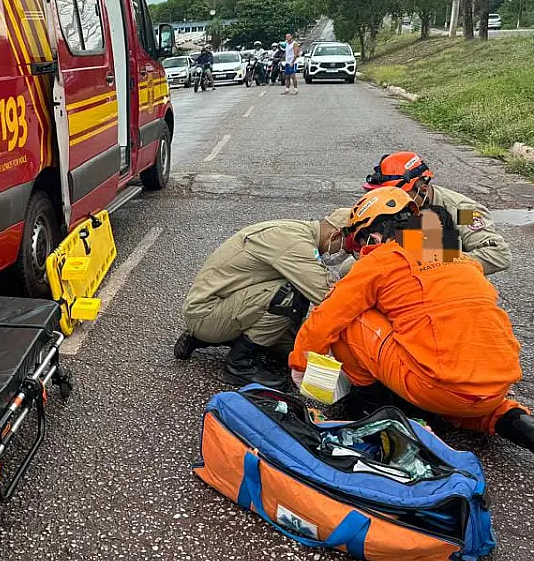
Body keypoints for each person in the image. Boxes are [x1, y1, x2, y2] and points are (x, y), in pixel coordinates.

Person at [288, 187, 534, 453]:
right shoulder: (456, 256)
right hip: (495, 387)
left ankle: (372, 405)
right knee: (468, 400)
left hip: (433, 386)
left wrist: (300, 364)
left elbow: (327, 316)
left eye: (361, 243)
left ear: (373, 235)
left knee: (351, 318)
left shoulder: (382, 260)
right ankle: (511, 420)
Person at [174, 208, 353, 389]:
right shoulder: (295, 245)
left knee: (294, 347)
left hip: (214, 305)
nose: (345, 254)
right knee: (289, 297)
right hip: (207, 313)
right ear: (335, 235)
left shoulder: (298, 232)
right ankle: (238, 365)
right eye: (346, 249)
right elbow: (328, 297)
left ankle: (202, 338)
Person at [364, 151, 510, 275]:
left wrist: (439, 263)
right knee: (351, 268)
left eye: (400, 195)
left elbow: (498, 254)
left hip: (450, 279)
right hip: (404, 268)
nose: (394, 202)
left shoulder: (461, 211)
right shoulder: (390, 206)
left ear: (422, 189)